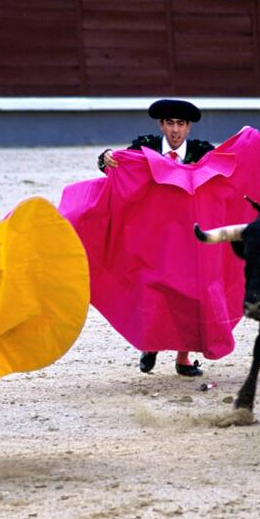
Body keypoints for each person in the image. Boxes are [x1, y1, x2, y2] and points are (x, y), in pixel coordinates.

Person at [98, 99, 215, 377]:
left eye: (181, 124)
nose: (176, 130)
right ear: (161, 125)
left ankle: (183, 357)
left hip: (189, 237)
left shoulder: (203, 152)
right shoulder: (145, 147)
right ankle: (151, 344)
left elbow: (227, 177)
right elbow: (115, 168)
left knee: (192, 293)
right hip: (153, 235)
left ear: (188, 128)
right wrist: (105, 157)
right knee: (153, 287)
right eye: (171, 123)